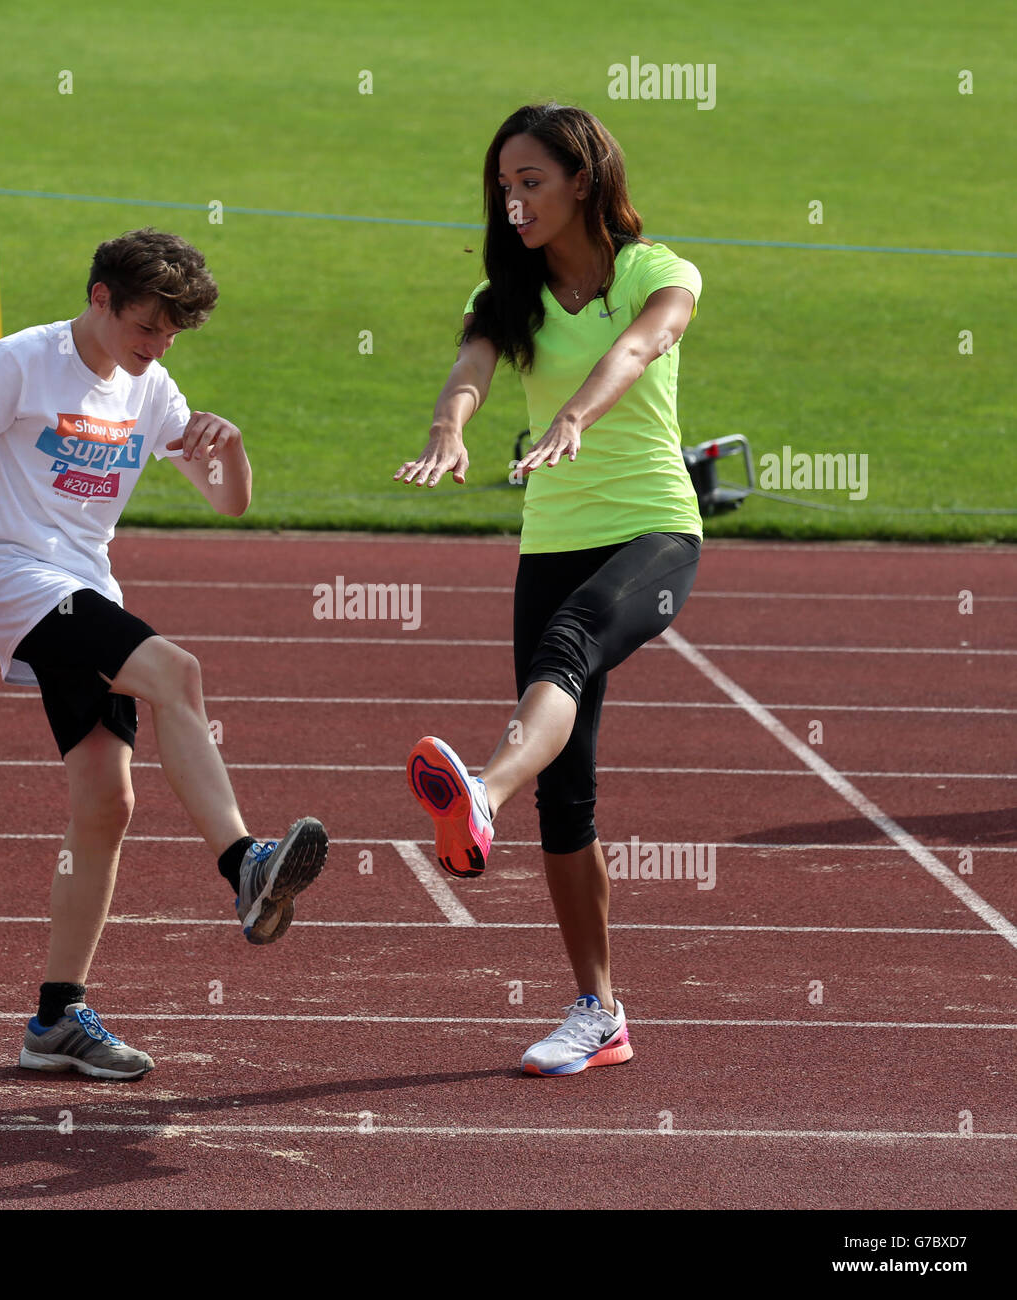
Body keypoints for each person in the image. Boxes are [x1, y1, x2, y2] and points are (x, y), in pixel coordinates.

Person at [0, 227, 328, 1081]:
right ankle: (246, 866)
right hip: (18, 579)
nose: (158, 347)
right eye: (146, 329)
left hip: (88, 589)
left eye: (170, 336)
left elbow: (227, 503)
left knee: (106, 803)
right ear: (100, 297)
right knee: (180, 673)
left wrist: (230, 447)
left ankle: (57, 1017)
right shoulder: (17, 362)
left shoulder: (152, 386)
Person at [395, 103, 703, 1077]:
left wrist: (572, 415)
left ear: (581, 178)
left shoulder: (658, 271)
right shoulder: (508, 290)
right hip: (552, 543)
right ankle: (598, 1011)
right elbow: (471, 365)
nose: (514, 198)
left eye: (531, 179)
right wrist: (451, 428)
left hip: (654, 531)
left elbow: (637, 350)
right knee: (565, 796)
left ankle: (478, 793)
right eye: (503, 183)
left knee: (567, 648)